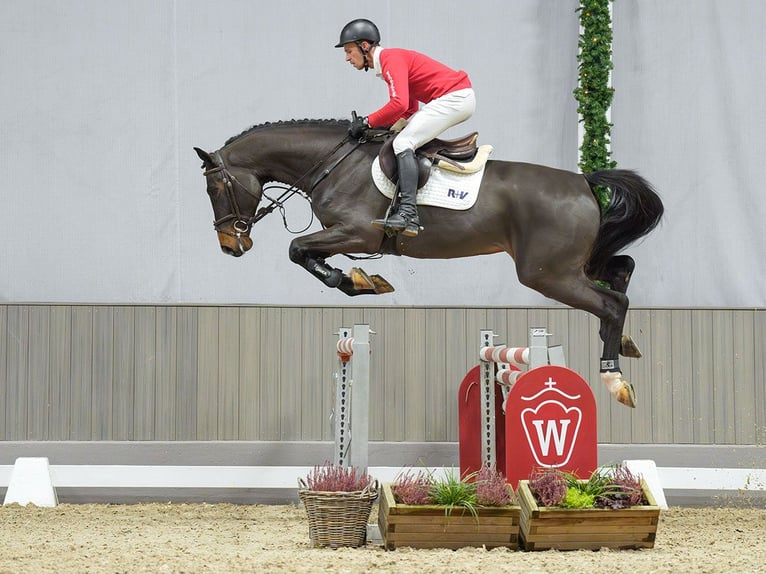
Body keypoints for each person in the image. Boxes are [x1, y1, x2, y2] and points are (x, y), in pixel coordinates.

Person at [335, 18, 476, 237]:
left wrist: (367, 121)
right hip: (455, 98)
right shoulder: (388, 64)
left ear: (364, 46)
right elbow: (409, 108)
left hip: (454, 98)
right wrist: (386, 126)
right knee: (401, 137)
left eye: (348, 51)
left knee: (403, 142)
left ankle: (408, 213)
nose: (346, 58)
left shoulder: (391, 59)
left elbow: (398, 103)